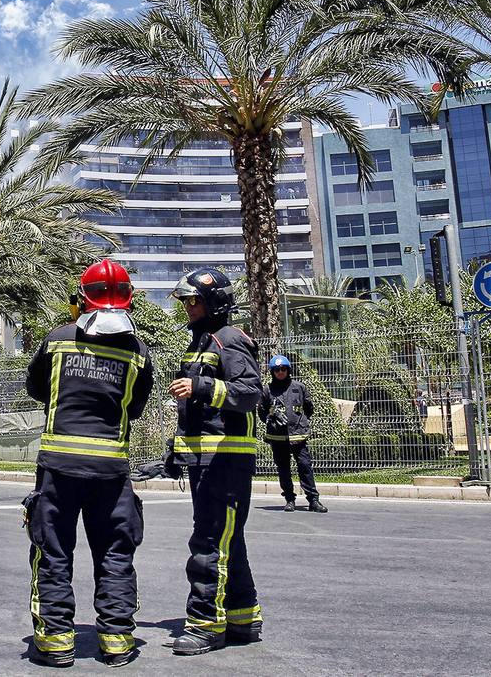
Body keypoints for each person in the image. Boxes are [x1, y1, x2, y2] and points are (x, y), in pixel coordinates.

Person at [23, 259, 155, 668]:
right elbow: (133, 409)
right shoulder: (138, 352)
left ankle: (56, 640)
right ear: (128, 300)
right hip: (111, 474)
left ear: (82, 299)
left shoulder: (58, 339)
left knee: (54, 550)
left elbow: (35, 387)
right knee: (115, 553)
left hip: (58, 468)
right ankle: (116, 639)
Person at [167, 267, 263, 655]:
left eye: (195, 300)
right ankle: (243, 617)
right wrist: (174, 454)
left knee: (209, 543)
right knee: (228, 540)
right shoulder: (201, 343)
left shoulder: (229, 340)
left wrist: (202, 385)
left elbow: (250, 391)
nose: (189, 307)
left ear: (215, 302)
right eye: (187, 301)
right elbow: (196, 414)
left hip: (226, 463)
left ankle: (205, 625)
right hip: (205, 462)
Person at [259, 355, 326, 513]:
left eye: (283, 369)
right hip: (278, 437)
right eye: (277, 370)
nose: (280, 372)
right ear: (272, 372)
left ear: (288, 370)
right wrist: (271, 416)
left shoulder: (299, 387)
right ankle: (289, 499)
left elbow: (309, 408)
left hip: (298, 436)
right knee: (283, 469)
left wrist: (299, 422)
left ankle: (313, 500)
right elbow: (261, 412)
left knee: (305, 467)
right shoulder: (267, 390)